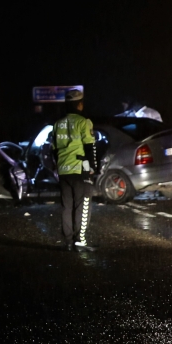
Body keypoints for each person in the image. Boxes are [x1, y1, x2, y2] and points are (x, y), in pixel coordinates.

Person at [52, 89, 99, 252]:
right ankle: (80, 240)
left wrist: (57, 166)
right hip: (80, 169)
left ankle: (68, 241)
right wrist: (92, 167)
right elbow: (89, 145)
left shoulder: (58, 124)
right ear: (79, 104)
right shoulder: (83, 121)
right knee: (83, 204)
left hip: (63, 170)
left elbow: (53, 149)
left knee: (67, 206)